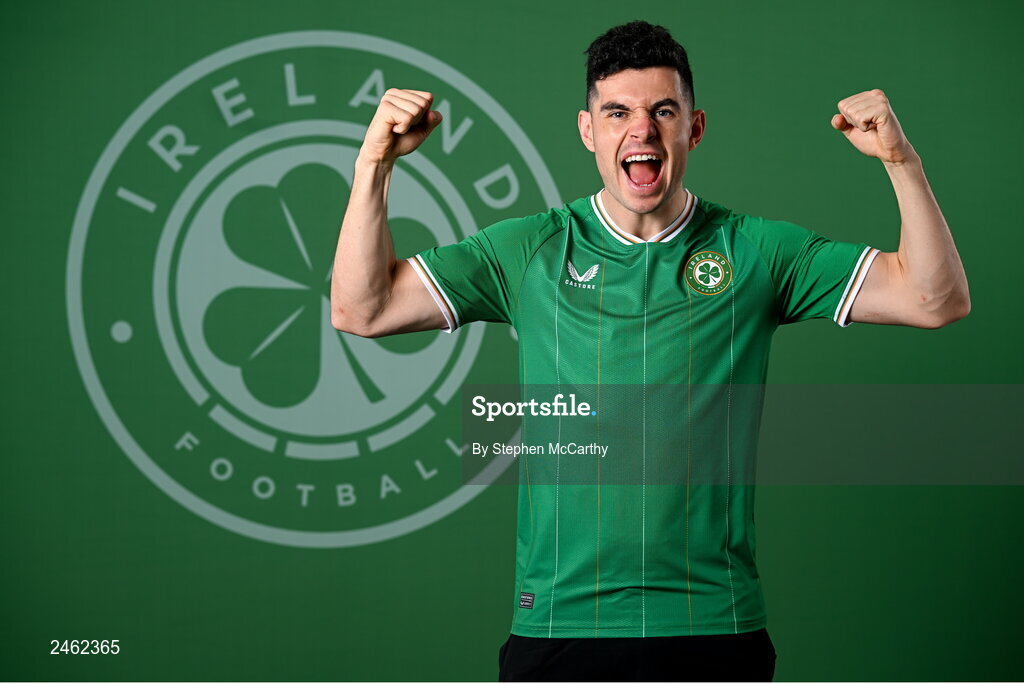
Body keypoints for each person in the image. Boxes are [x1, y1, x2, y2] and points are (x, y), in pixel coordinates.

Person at [330, 20, 969, 682]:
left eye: (663, 111)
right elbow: (361, 307)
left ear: (693, 128)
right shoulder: (530, 250)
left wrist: (903, 162)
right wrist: (373, 165)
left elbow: (934, 299)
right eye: (618, 113)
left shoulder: (755, 250)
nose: (643, 130)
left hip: (713, 625)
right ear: (588, 131)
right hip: (559, 623)